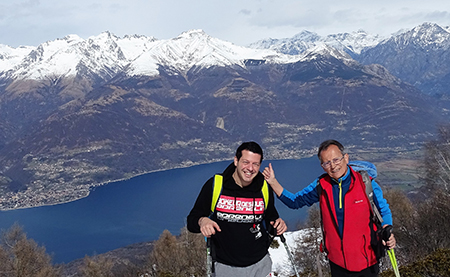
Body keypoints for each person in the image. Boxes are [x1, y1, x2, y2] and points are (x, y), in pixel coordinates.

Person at [262, 139, 396, 277]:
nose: (333, 166)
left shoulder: (366, 183)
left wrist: (387, 230)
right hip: (337, 264)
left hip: (368, 261)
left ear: (346, 158)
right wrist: (272, 181)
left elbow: (383, 211)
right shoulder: (321, 185)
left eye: (336, 159)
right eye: (327, 163)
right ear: (322, 166)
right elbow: (295, 201)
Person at [187, 141, 287, 277]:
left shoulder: (263, 188)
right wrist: (202, 221)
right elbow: (191, 221)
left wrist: (278, 224)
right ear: (236, 161)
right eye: (246, 162)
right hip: (225, 267)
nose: (250, 168)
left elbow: (271, 218)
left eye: (255, 164)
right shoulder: (216, 185)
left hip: (260, 265)